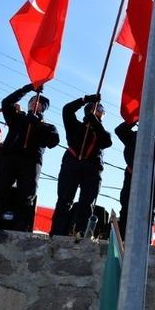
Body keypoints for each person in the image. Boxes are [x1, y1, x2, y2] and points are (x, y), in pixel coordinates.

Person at [0, 84, 59, 231]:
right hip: (9, 158)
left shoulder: (48, 126)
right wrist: (28, 88)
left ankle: (21, 228)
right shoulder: (17, 118)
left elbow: (53, 142)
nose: (34, 102)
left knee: (26, 194)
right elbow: (5, 103)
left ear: (43, 108)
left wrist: (37, 125)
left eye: (39, 102)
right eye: (32, 100)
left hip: (31, 161)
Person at [50, 94, 112, 237]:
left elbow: (107, 142)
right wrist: (84, 100)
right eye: (99, 109)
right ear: (90, 110)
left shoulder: (101, 133)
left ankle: (81, 233)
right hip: (71, 164)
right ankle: (57, 233)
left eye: (102, 111)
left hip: (92, 168)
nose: (102, 112)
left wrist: (95, 123)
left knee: (87, 202)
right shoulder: (75, 126)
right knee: (65, 200)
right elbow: (67, 110)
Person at [114, 120, 155, 240]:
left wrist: (150, 141)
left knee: (148, 212)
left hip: (150, 180)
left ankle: (145, 241)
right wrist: (133, 120)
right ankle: (122, 239)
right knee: (126, 208)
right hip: (131, 176)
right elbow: (119, 130)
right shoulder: (132, 136)